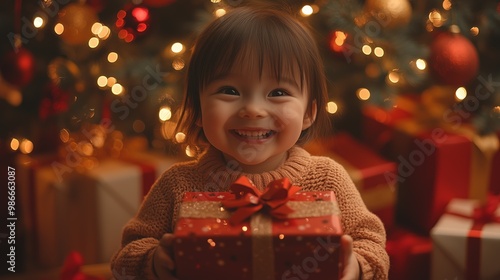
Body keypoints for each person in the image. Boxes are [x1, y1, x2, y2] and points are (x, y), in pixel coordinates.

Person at [111, 4, 389, 280]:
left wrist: (357, 265)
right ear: (197, 110)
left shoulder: (328, 178)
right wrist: (153, 261)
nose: (253, 110)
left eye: (278, 92)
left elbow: (371, 243)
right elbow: (127, 255)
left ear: (309, 113)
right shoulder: (177, 185)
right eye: (229, 90)